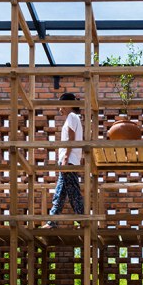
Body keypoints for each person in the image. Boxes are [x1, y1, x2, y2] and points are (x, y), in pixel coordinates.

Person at [47, 92, 84, 226]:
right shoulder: (74, 117)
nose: (59, 109)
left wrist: (66, 158)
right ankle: (53, 221)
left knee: (73, 192)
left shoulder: (72, 116)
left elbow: (71, 138)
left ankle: (82, 219)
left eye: (61, 105)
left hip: (69, 161)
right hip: (69, 161)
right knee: (60, 192)